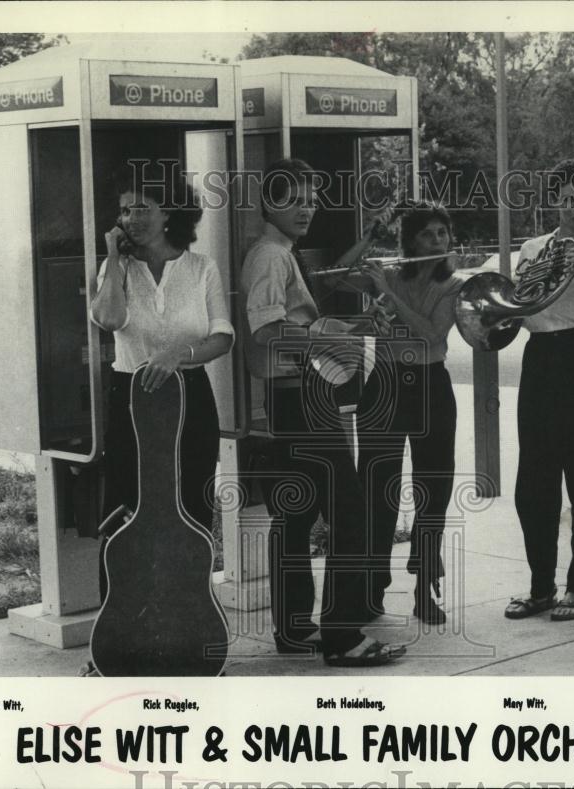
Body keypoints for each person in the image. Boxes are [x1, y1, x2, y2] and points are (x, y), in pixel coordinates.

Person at [241, 157, 406, 667]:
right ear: (271, 203)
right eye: (294, 199)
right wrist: (324, 334)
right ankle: (343, 635)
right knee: (349, 510)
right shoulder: (269, 256)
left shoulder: (279, 253)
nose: (307, 208)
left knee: (296, 515)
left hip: (293, 396)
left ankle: (294, 628)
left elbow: (296, 319)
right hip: (302, 397)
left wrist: (334, 328)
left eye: (312, 199)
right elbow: (266, 333)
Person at [90, 167, 233, 604]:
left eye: (142, 207)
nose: (132, 217)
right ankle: (115, 637)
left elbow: (222, 336)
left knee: (190, 509)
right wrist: (114, 257)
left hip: (190, 398)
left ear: (169, 212)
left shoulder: (200, 267)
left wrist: (179, 356)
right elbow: (109, 320)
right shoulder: (116, 269)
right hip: (131, 397)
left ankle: (189, 624)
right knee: (124, 510)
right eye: (124, 210)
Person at [502, 159, 574, 624]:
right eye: (566, 199)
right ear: (553, 201)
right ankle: (540, 587)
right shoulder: (532, 247)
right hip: (540, 359)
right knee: (534, 483)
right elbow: (519, 307)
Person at [355, 202, 464, 625]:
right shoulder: (391, 275)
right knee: (377, 489)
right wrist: (370, 235)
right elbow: (333, 276)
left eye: (443, 233)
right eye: (428, 234)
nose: (438, 241)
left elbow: (432, 332)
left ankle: (425, 588)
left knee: (432, 491)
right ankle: (371, 586)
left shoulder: (453, 285)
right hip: (384, 385)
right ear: (410, 240)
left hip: (430, 387)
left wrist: (388, 292)